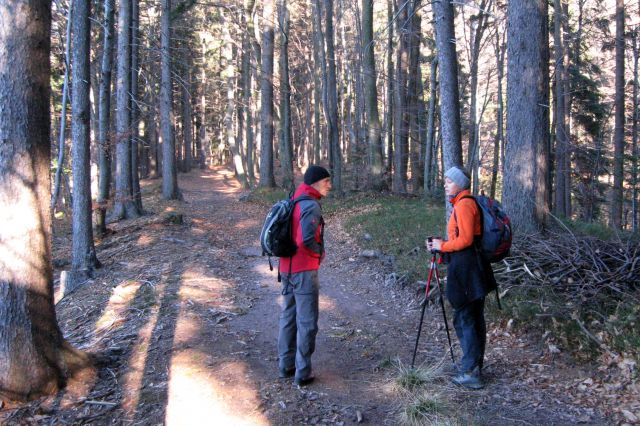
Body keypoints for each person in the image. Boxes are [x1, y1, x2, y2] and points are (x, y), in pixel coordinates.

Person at [426, 166, 496, 389]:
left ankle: (471, 372)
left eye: (448, 181)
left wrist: (442, 245)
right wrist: (444, 248)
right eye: (445, 180)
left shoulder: (465, 205)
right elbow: (466, 240)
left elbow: (465, 240)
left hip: (468, 271)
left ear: (459, 184)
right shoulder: (464, 203)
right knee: (472, 317)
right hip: (473, 268)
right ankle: (472, 365)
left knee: (466, 318)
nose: (445, 184)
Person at [278, 165, 332, 386]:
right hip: (304, 270)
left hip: (286, 268)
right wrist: (319, 254)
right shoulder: (310, 205)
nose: (330, 185)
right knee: (307, 321)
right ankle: (303, 371)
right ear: (316, 182)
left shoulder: (294, 199)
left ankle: (285, 365)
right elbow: (306, 239)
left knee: (288, 317)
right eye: (327, 181)